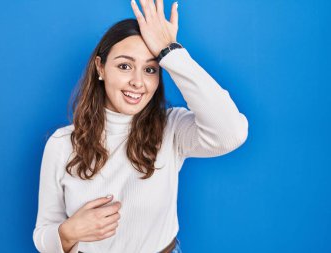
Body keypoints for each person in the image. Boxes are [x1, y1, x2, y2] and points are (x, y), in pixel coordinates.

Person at [33, 0, 249, 252]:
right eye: (125, 66)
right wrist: (68, 232)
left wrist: (171, 52)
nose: (138, 82)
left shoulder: (171, 129)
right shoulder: (61, 145)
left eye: (150, 69)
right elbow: (43, 235)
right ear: (100, 67)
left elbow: (231, 132)